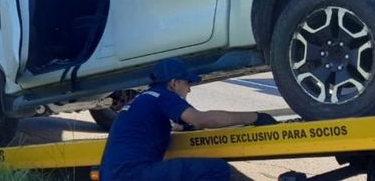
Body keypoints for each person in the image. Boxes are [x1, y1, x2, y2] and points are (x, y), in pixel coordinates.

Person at [100, 57, 279, 180]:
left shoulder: (145, 98)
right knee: (219, 170)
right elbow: (203, 119)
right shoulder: (163, 95)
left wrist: (184, 128)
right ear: (173, 83)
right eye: (187, 83)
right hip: (134, 175)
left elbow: (155, 128)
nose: (189, 89)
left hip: (117, 174)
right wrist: (254, 117)